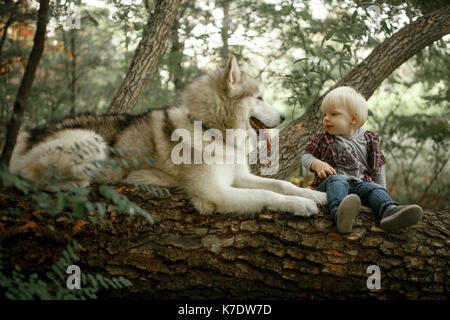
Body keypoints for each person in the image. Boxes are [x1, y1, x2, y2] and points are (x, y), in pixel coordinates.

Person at [301, 86, 423, 233]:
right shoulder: (323, 137)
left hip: (359, 184)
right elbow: (306, 155)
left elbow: (378, 167)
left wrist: (381, 191)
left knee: (374, 189)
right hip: (330, 183)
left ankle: (389, 211)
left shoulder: (369, 139)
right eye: (324, 114)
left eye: (333, 114)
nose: (326, 118)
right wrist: (316, 164)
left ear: (353, 119)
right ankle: (339, 214)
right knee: (338, 180)